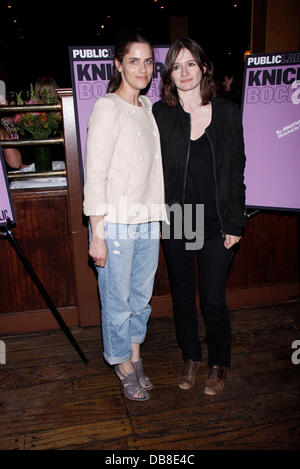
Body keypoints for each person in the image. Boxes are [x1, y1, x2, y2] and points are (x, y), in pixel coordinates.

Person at [153, 37, 246, 395]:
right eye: (176, 66)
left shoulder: (226, 112)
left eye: (190, 63)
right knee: (182, 295)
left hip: (216, 221)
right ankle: (190, 356)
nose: (184, 72)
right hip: (178, 219)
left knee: (212, 298)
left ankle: (219, 362)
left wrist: (235, 222)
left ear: (204, 67)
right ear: (170, 76)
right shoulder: (161, 115)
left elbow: (236, 168)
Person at [83, 30, 165, 401]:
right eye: (134, 60)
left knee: (140, 298)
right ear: (118, 64)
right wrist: (96, 233)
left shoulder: (148, 108)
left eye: (148, 61)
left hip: (148, 219)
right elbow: (95, 172)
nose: (143, 68)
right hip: (115, 223)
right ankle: (121, 362)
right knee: (116, 300)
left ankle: (135, 352)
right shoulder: (107, 107)